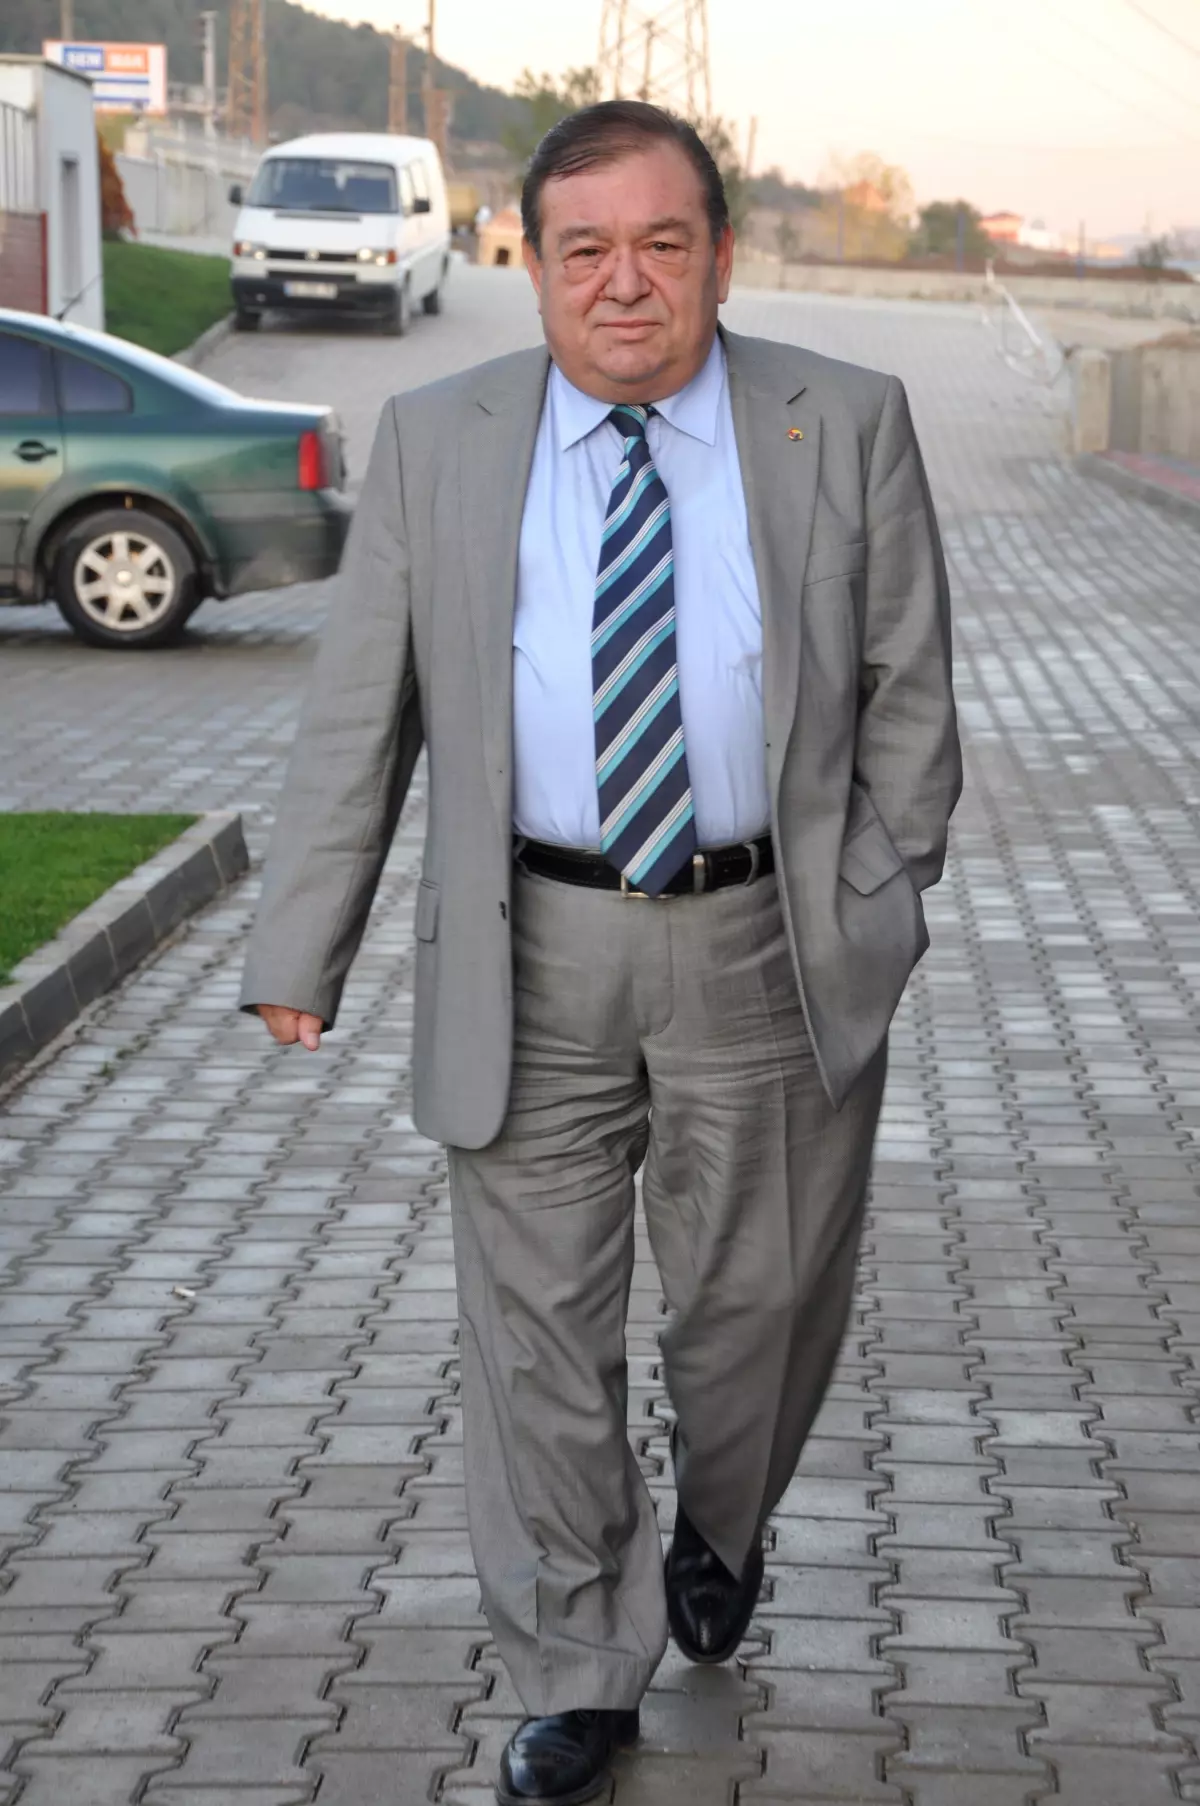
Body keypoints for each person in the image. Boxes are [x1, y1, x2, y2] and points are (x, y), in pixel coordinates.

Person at [241, 100, 961, 1806]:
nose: (622, 282)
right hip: (529, 948)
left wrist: (871, 895)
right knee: (537, 1338)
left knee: (759, 1305)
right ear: (534, 265)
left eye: (659, 243)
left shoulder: (844, 418)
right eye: (584, 249)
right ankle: (579, 1659)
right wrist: (303, 940)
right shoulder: (439, 438)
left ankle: (721, 1515)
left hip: (766, 943)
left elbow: (910, 697)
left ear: (721, 255)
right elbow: (359, 717)